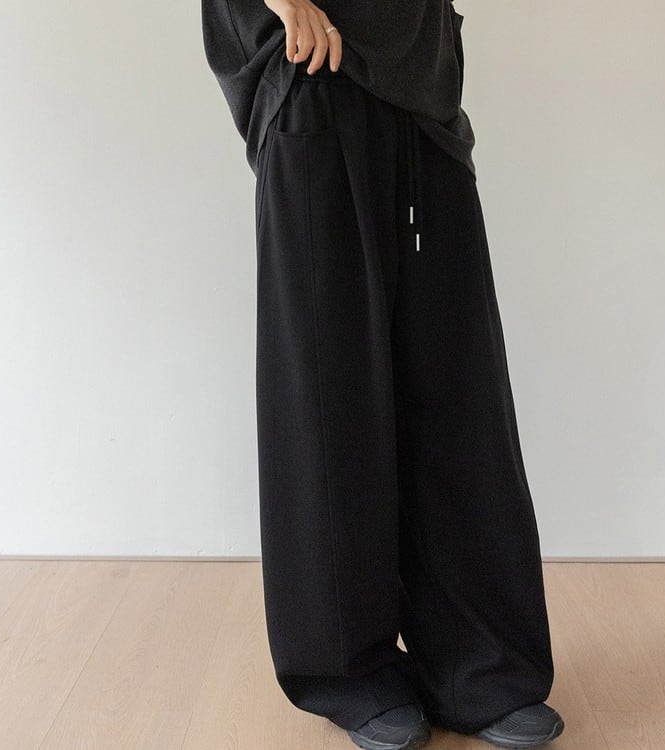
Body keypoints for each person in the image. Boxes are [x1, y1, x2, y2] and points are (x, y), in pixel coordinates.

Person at [201, 1, 566, 748]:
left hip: (422, 83)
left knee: (458, 393)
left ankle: (481, 666)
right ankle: (350, 671)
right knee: (329, 397)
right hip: (312, 71)